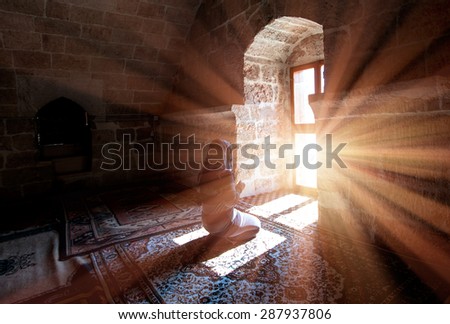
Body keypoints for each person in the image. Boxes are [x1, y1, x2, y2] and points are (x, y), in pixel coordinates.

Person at [197, 139, 260, 244]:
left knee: (240, 215)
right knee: (256, 226)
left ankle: (220, 234)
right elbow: (231, 202)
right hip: (222, 225)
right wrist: (240, 187)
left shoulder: (203, 172)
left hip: (206, 223)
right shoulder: (225, 173)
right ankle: (226, 236)